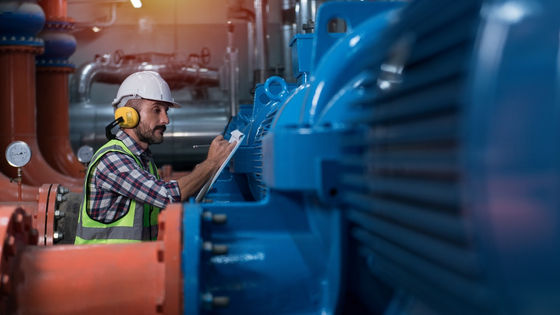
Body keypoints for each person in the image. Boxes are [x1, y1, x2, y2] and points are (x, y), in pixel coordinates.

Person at [75, 71, 234, 244]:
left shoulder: (143, 160)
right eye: (156, 110)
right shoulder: (113, 159)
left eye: (166, 111)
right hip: (103, 267)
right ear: (128, 115)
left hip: (129, 265)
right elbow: (167, 196)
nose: (166, 120)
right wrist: (212, 163)